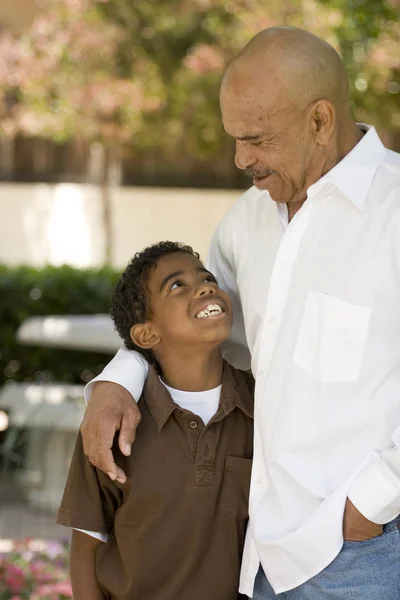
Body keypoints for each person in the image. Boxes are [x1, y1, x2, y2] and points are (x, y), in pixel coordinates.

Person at [80, 26, 400, 600]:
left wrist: (371, 504)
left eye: (255, 139)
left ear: (320, 121)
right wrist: (116, 380)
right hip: (258, 557)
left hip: (366, 555)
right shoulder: (247, 220)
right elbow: (194, 328)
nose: (239, 159)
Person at [57, 241, 254, 600]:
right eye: (177, 286)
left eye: (206, 278)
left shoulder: (261, 406)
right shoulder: (112, 423)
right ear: (146, 333)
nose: (205, 287)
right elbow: (85, 548)